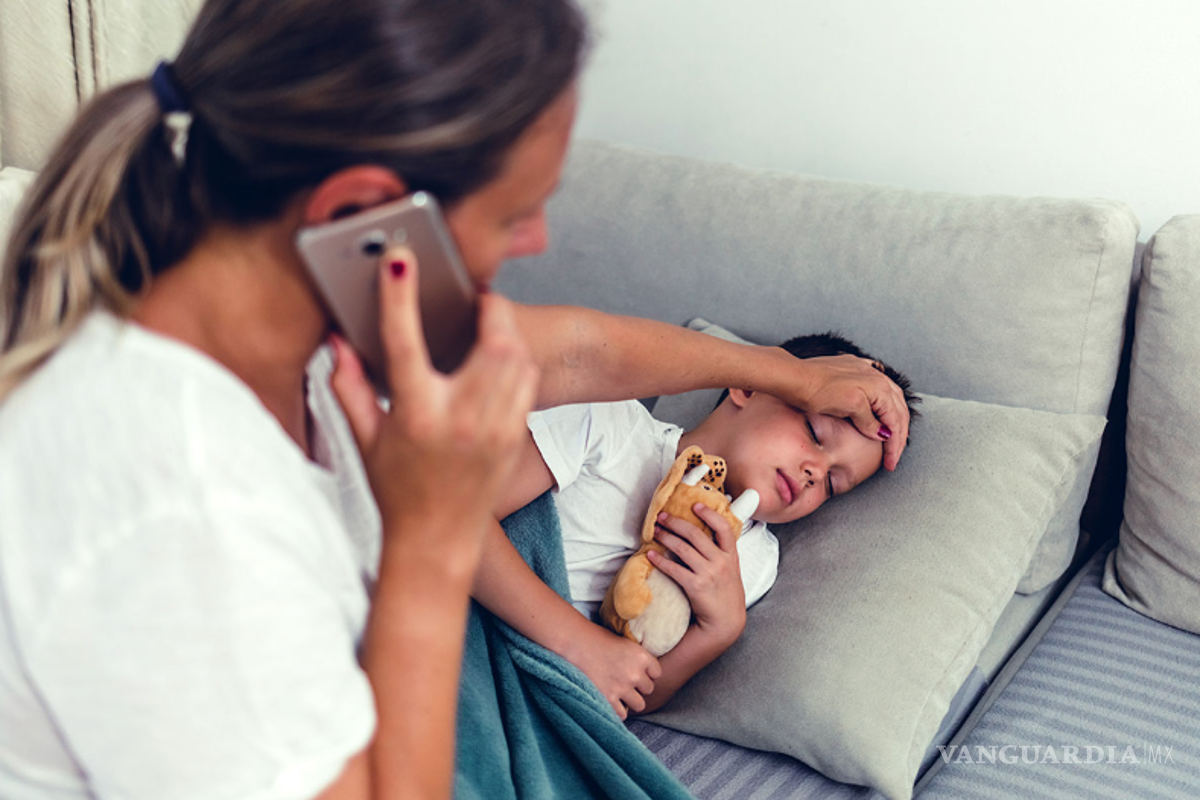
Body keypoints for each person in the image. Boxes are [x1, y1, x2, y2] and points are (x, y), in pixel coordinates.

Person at [0, 1, 911, 798]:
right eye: (516, 212)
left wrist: (797, 376)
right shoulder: (172, 499)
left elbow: (579, 353)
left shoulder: (336, 282)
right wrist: (433, 543)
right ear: (366, 205)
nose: (537, 239)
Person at [476, 333, 919, 718]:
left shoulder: (752, 561)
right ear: (747, 387)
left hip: (536, 695)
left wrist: (719, 630)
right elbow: (445, 518)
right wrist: (576, 641)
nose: (812, 473)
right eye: (816, 435)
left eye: (831, 483)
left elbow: (631, 695)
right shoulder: (610, 424)